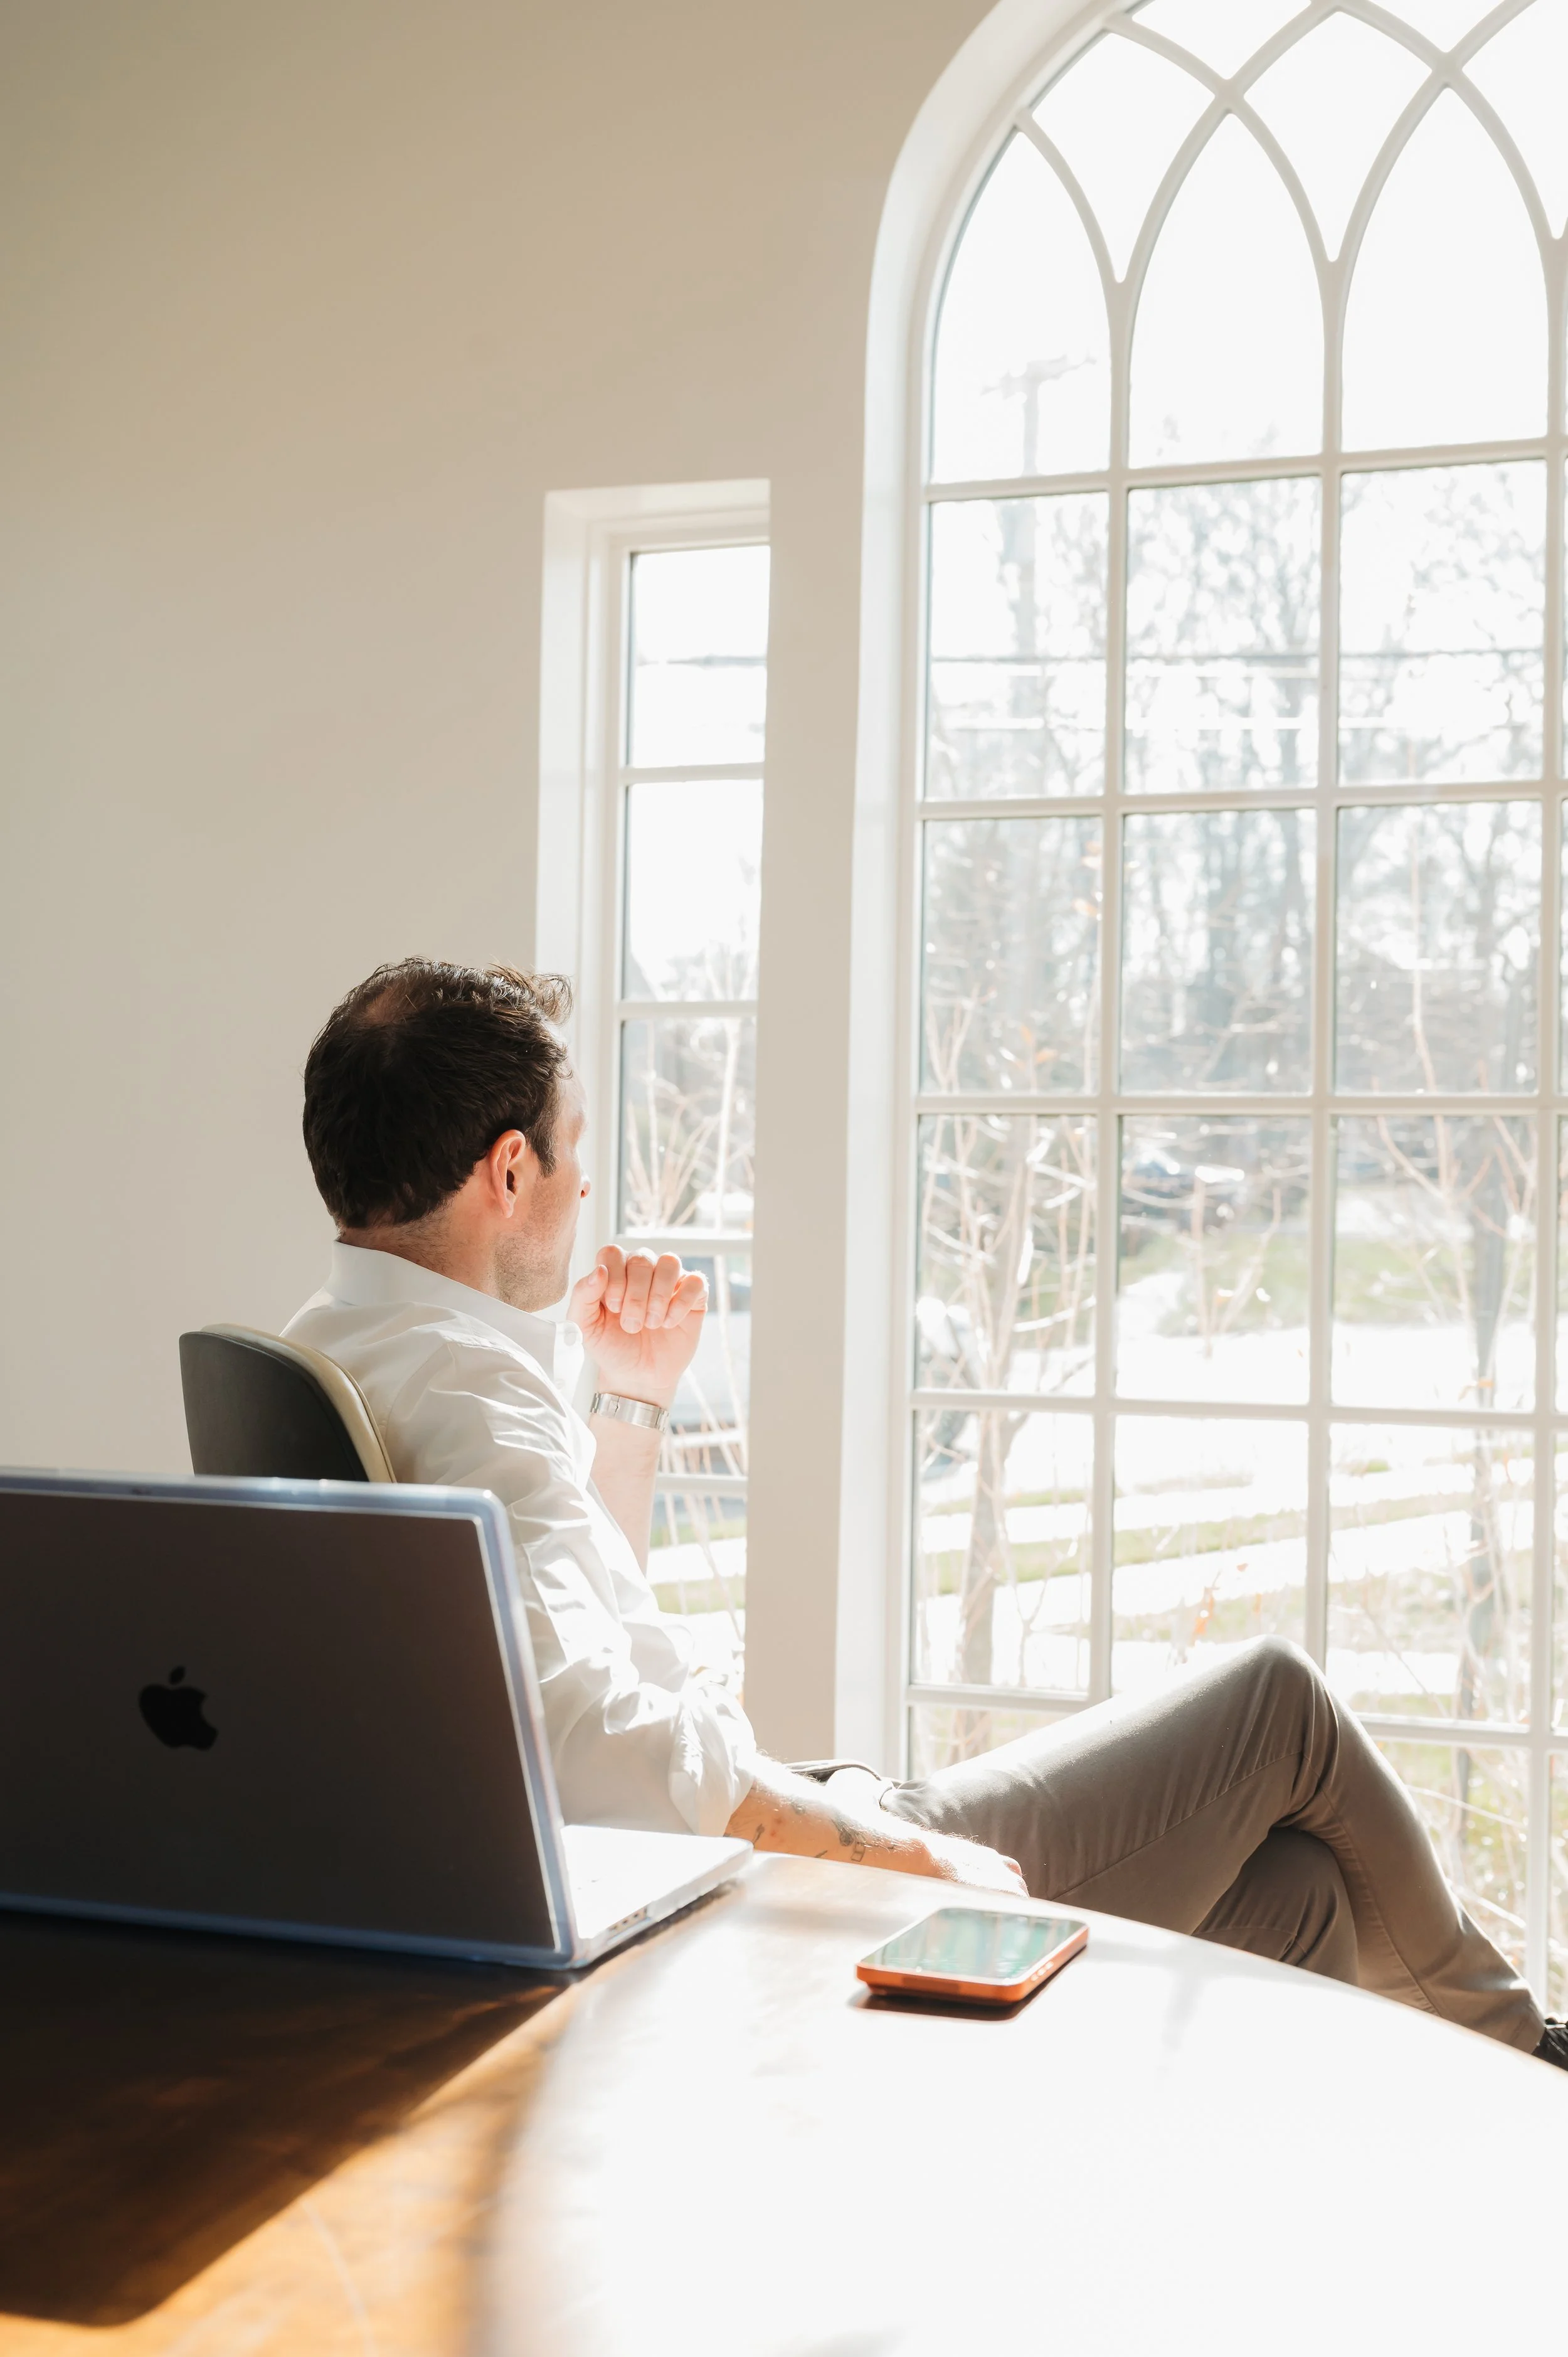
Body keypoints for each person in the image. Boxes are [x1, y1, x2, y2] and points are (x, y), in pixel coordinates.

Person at [287, 957, 1567, 2068]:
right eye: (571, 1152)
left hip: (764, 1825)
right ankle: (1531, 2064)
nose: (580, 1189)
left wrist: (629, 1405)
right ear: (508, 1170)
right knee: (1275, 1707)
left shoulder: (346, 1344)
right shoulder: (471, 1394)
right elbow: (583, 1743)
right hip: (783, 1876)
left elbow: (569, 1651)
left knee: (1298, 1907)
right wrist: (896, 1856)